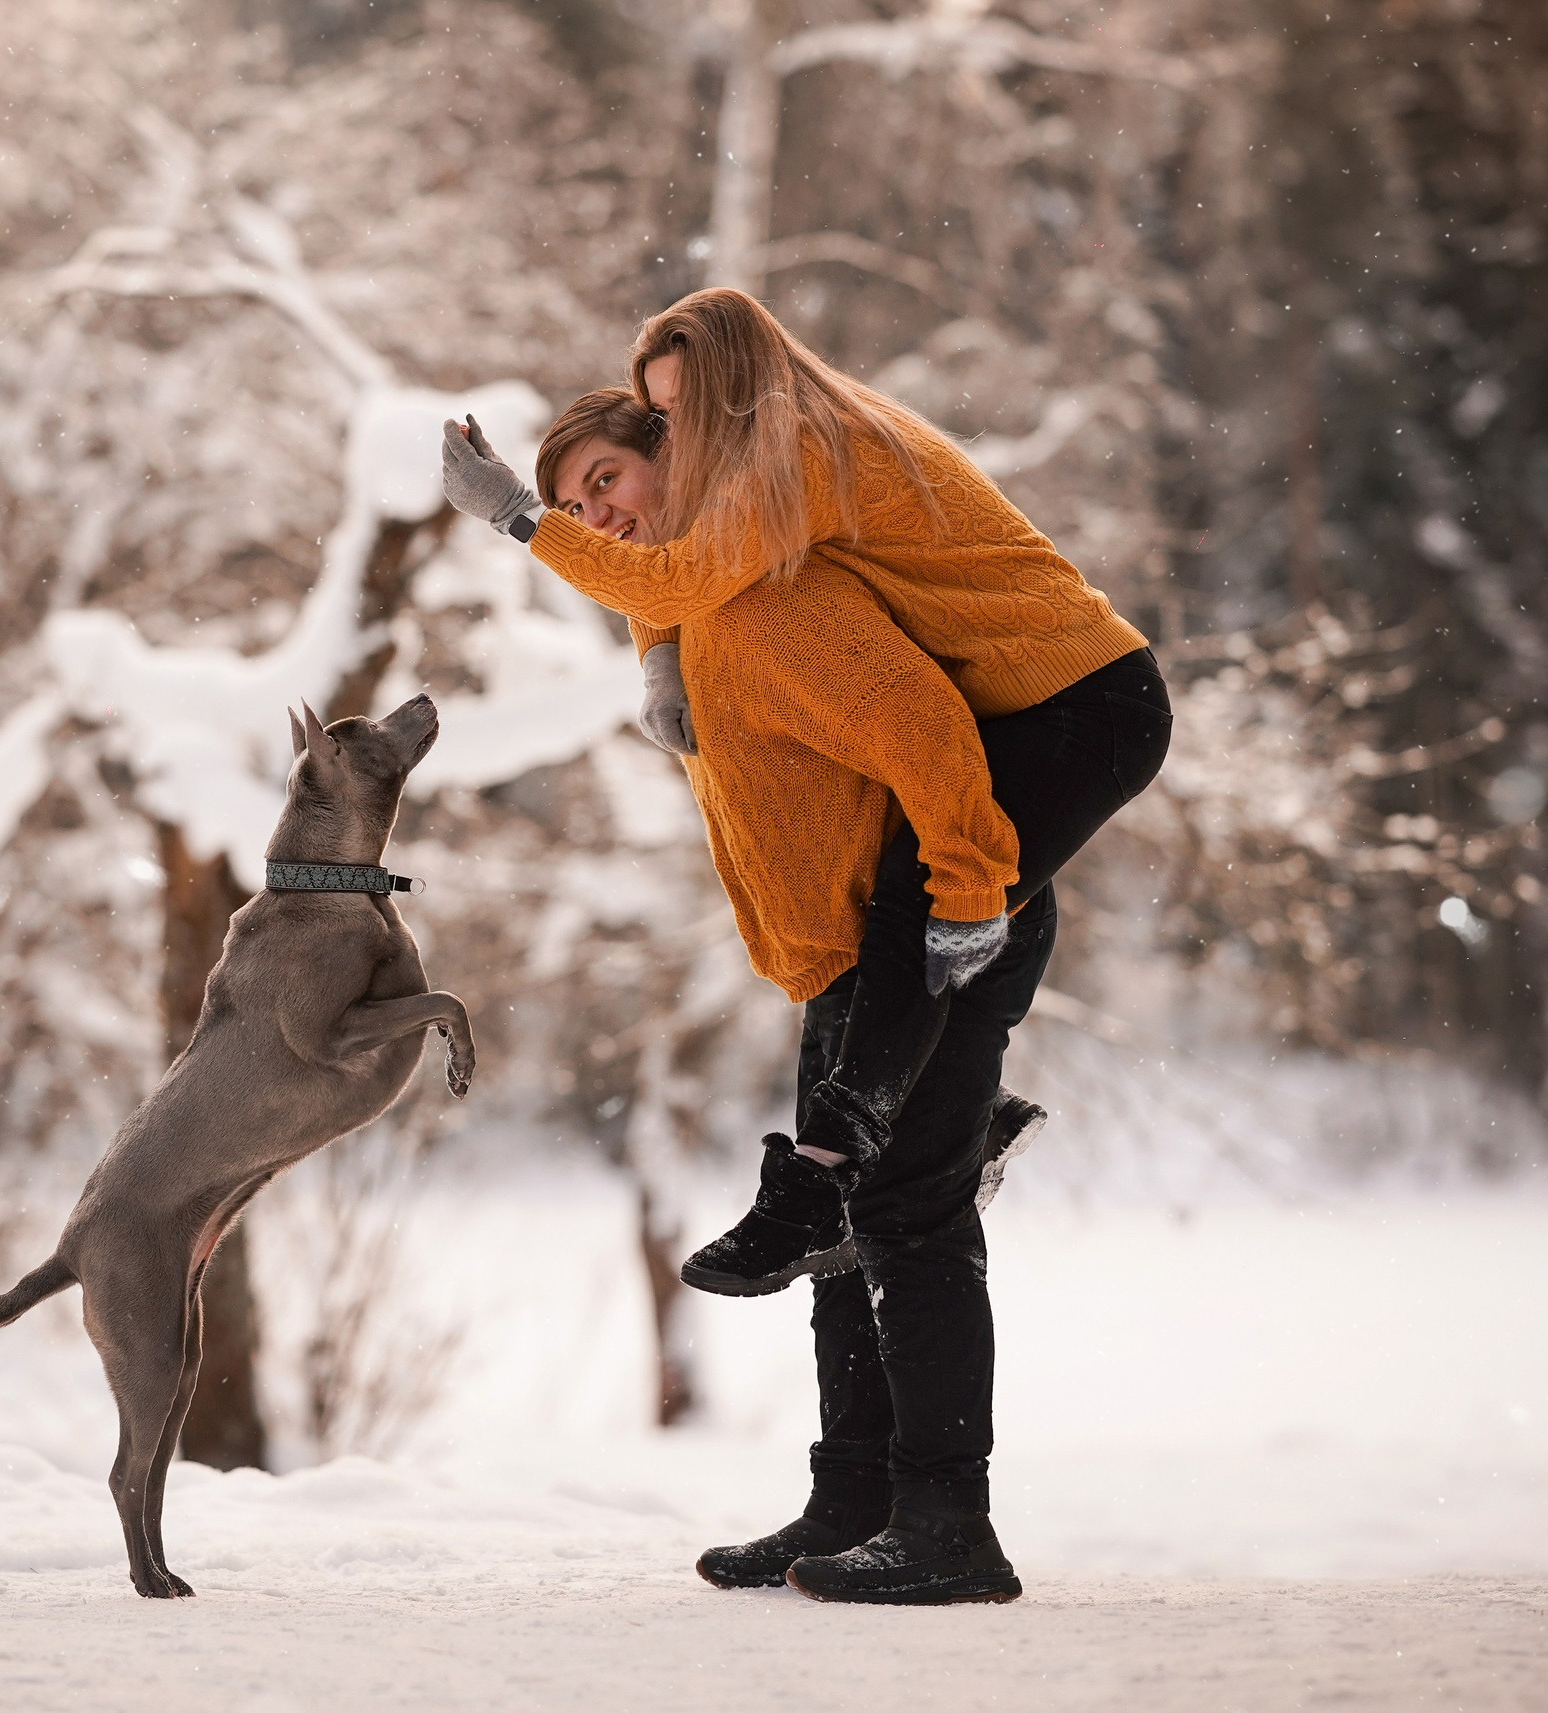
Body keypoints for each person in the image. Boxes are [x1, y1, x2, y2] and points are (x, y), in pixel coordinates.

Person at [439, 291, 1171, 1605]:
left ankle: (948, 1522)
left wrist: (518, 517)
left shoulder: (786, 490)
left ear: (715, 406)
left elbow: (912, 729)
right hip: (883, 911)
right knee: (849, 1213)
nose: (610, 500)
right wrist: (651, 640)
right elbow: (666, 583)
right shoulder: (726, 577)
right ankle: (856, 1500)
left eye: (634, 452)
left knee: (900, 1202)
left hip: (1051, 747)